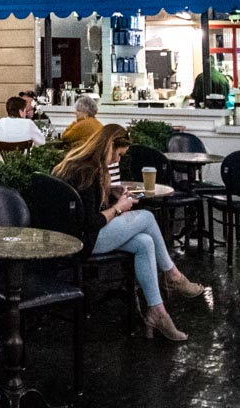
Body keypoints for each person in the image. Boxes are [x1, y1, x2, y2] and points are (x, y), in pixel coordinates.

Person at [52, 124, 205, 341]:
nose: (117, 160)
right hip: (83, 242)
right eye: (119, 154)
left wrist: (110, 192)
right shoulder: (89, 171)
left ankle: (158, 312)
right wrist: (118, 208)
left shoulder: (78, 163)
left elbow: (85, 205)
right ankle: (173, 276)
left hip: (72, 235)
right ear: (109, 146)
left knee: (144, 242)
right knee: (147, 217)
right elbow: (91, 222)